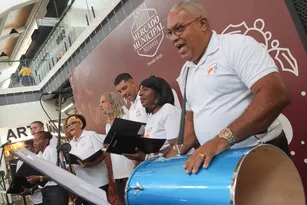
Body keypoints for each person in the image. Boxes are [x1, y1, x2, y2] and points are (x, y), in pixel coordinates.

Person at [166, 0, 291, 174]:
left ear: (203, 24)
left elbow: (275, 95)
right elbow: (190, 125)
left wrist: (219, 141)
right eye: (170, 33)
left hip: (261, 153)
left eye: (179, 28)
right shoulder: (186, 72)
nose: (173, 38)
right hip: (221, 164)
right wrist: (164, 162)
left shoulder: (236, 46)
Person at [124, 76, 180, 162]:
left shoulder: (167, 109)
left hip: (175, 166)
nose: (140, 93)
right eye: (140, 90)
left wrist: (148, 157)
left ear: (158, 92)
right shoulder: (151, 117)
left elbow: (178, 145)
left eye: (145, 89)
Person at [99, 92, 134, 205]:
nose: (100, 105)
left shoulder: (125, 117)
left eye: (103, 102)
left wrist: (136, 165)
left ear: (113, 103)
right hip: (119, 173)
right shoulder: (107, 125)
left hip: (132, 170)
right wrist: (115, 173)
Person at [66, 114, 109, 205]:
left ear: (81, 124)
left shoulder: (91, 135)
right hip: (83, 184)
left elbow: (102, 154)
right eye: (68, 125)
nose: (70, 127)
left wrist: (91, 164)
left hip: (98, 181)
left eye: (72, 123)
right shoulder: (70, 144)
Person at [27, 131, 69, 205]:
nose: (34, 143)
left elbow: (58, 174)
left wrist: (39, 178)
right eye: (33, 141)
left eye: (37, 140)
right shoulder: (40, 155)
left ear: (46, 141)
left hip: (56, 190)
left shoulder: (51, 151)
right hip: (46, 190)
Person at [17, 139, 43, 205]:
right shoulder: (21, 161)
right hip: (33, 198)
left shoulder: (40, 158)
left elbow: (44, 178)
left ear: (33, 147)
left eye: (27, 147)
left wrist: (32, 189)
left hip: (43, 195)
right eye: (24, 147)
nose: (25, 149)